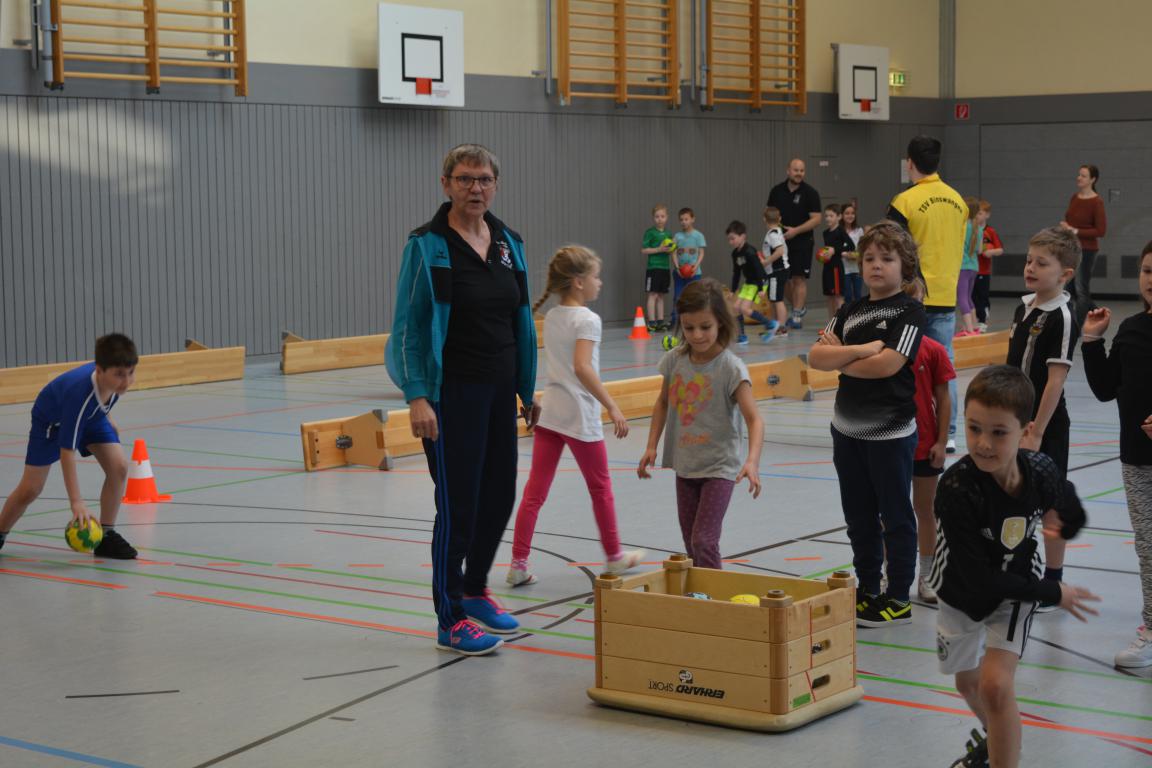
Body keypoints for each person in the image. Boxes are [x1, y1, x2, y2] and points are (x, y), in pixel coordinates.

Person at [385, 143, 539, 656]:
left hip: (499, 393)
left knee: (499, 495)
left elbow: (519, 319)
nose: (476, 188)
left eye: (484, 179)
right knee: (458, 506)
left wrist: (525, 388)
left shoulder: (509, 242)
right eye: (466, 179)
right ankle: (450, 618)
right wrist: (417, 396)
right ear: (446, 183)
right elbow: (407, 329)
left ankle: (475, 591)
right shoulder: (427, 246)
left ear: (496, 184)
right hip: (451, 396)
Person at [929, 365, 1098, 768]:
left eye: (999, 432)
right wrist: (1054, 592)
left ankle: (1003, 755)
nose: (984, 443)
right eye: (973, 429)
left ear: (1025, 431)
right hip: (961, 590)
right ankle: (998, 741)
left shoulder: (1040, 472)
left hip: (1016, 582)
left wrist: (1065, 524)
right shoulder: (956, 489)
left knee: (995, 685)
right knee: (968, 684)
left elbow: (1070, 504)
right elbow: (978, 580)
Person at [809, 221, 926, 627]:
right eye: (870, 258)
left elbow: (887, 365)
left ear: (904, 267)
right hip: (847, 431)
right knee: (858, 516)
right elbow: (815, 358)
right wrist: (861, 349)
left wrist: (843, 357)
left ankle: (899, 596)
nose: (876, 265)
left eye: (887, 259)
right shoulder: (850, 310)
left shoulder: (910, 312)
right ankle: (869, 588)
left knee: (895, 515)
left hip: (890, 433)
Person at [507, 246, 644, 587]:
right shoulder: (588, 320)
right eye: (596, 276)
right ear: (579, 282)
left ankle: (518, 564)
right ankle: (614, 556)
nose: (600, 282)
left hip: (552, 413)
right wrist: (611, 405)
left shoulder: (553, 316)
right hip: (580, 415)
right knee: (601, 488)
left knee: (534, 493)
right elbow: (583, 367)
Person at [638, 278, 764, 569]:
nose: (696, 335)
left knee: (704, 541)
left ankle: (712, 595)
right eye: (689, 327)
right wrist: (651, 446)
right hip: (685, 464)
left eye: (705, 327)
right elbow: (663, 402)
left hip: (719, 466)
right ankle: (701, 591)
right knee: (690, 542)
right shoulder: (675, 360)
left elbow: (754, 419)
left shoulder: (731, 368)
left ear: (720, 322)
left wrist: (752, 461)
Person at [0, 333, 139, 560]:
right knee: (31, 489)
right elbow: (67, 452)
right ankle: (1, 531)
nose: (126, 381)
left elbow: (102, 399)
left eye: (131, 373)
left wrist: (108, 419)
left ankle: (106, 536)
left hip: (92, 417)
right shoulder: (79, 396)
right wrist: (77, 502)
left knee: (119, 466)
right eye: (119, 375)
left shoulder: (113, 383)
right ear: (99, 370)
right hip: (52, 423)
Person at [1081, 240, 1152, 668]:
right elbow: (1106, 389)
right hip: (1137, 459)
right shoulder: (1131, 330)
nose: (1151, 280)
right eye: (1147, 271)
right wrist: (1092, 341)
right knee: (1148, 546)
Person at [1006, 227, 1080, 613]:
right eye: (1028, 261)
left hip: (1044, 426)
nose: (1030, 268)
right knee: (1012, 499)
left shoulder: (1062, 317)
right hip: (1012, 421)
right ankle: (1016, 572)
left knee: (1051, 503)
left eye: (1041, 263)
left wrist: (1036, 430)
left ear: (1065, 274)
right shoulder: (1023, 308)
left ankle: (1052, 581)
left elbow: (1055, 381)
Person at [887, 135, 967, 453]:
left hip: (912, 297)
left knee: (901, 362)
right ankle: (949, 433)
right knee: (944, 366)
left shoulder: (904, 202)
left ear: (910, 163)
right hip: (946, 295)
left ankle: (904, 426)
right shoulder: (959, 201)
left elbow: (890, 249)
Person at [906, 278, 955, 603]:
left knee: (925, 510)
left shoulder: (933, 350)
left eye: (919, 302)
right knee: (891, 513)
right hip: (889, 444)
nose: (915, 308)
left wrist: (941, 440)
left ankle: (927, 576)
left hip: (924, 445)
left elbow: (944, 398)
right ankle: (891, 573)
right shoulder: (880, 349)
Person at [767, 158, 822, 329]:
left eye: (802, 170)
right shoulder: (776, 191)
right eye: (796, 170)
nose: (799, 173)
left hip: (802, 242)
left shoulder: (810, 193)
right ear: (788, 171)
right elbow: (770, 214)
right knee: (783, 279)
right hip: (780, 242)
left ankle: (796, 315)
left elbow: (817, 219)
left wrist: (796, 231)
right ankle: (800, 307)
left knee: (798, 278)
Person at [1059, 164, 1107, 326]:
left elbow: (1101, 231)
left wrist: (1075, 230)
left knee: (1080, 290)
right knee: (1071, 289)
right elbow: (1071, 220)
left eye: (1083, 176)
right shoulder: (1075, 197)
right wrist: (1066, 227)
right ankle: (1099, 314)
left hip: (1086, 250)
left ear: (1093, 179)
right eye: (1079, 174)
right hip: (1071, 248)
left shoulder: (1097, 202)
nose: (1079, 178)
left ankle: (1076, 327)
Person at [725, 220, 776, 344]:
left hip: (759, 282)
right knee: (736, 307)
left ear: (743, 236)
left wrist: (760, 289)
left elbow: (759, 270)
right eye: (729, 239)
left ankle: (770, 324)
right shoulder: (735, 254)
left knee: (744, 308)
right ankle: (742, 336)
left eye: (733, 238)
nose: (731, 242)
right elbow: (736, 273)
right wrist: (732, 290)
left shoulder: (750, 251)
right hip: (749, 282)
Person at [671, 207, 706, 325]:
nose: (683, 222)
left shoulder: (698, 236)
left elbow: (701, 253)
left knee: (694, 298)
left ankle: (694, 321)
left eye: (686, 219)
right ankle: (675, 321)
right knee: (678, 297)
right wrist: (677, 268)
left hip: (694, 273)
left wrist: (695, 266)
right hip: (679, 273)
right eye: (681, 220)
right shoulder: (677, 236)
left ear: (692, 219)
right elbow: (673, 253)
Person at [641, 204, 674, 331]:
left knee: (661, 295)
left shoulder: (668, 234)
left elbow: (671, 251)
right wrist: (659, 249)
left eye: (662, 216)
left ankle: (660, 322)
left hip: (665, 268)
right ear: (653, 218)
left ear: (667, 217)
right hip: (653, 268)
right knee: (653, 294)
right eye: (657, 216)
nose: (660, 219)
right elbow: (644, 250)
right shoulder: (650, 233)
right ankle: (652, 323)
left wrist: (671, 249)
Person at [760, 207, 791, 336]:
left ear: (764, 219)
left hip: (777, 271)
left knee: (778, 300)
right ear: (779, 219)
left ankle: (781, 328)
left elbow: (779, 251)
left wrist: (766, 262)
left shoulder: (773, 234)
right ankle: (773, 326)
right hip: (777, 271)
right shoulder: (777, 231)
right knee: (773, 299)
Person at [956, 197, 985, 337]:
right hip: (974, 267)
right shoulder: (979, 229)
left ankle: (969, 329)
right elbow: (979, 250)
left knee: (962, 298)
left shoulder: (962, 227)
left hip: (962, 267)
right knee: (968, 297)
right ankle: (974, 326)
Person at [819, 203, 853, 320]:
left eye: (831, 216)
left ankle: (840, 323)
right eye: (826, 216)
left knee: (838, 296)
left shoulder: (840, 231)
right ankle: (831, 323)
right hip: (827, 267)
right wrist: (823, 255)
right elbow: (827, 250)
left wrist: (835, 250)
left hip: (836, 268)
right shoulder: (825, 233)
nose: (828, 218)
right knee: (829, 296)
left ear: (839, 217)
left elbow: (851, 246)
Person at [974, 205, 1003, 332]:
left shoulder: (990, 231)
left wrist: (990, 252)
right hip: (971, 269)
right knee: (972, 297)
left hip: (983, 271)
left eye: (980, 213)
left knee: (982, 296)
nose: (977, 216)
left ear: (987, 215)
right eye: (976, 213)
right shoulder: (970, 229)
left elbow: (1000, 249)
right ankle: (975, 320)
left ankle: (982, 319)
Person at [842, 202, 865, 303]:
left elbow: (862, 248)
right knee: (847, 295)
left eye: (852, 213)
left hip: (856, 268)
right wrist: (845, 254)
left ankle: (858, 313)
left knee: (858, 294)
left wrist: (857, 255)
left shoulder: (859, 230)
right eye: (847, 213)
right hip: (844, 268)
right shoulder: (839, 231)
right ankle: (848, 312)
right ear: (841, 215)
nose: (850, 216)